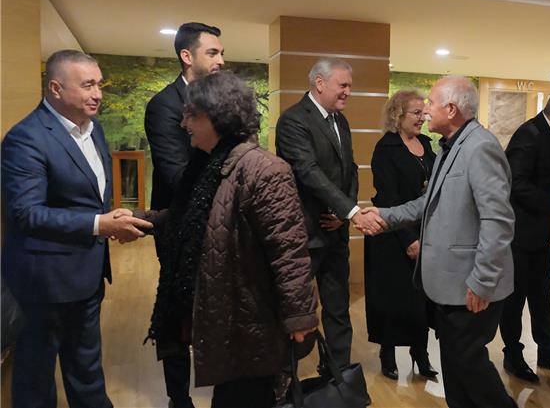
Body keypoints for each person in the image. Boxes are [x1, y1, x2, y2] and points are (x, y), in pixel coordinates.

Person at [137, 72, 318, 407]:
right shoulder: (208, 163)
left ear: (215, 116)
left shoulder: (264, 170)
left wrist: (300, 318)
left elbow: (289, 252)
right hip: (226, 319)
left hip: (251, 323)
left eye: (191, 116)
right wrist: (140, 220)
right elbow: (192, 218)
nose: (184, 124)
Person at [1, 50, 153, 408]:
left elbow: (88, 196)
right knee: (36, 380)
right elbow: (26, 214)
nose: (97, 94)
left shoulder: (93, 128)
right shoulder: (26, 138)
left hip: (86, 273)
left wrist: (107, 218)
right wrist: (99, 224)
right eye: (87, 85)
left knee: (87, 369)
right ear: (55, 88)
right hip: (43, 281)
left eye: (99, 84)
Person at [359, 76, 517, 408]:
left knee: (469, 363)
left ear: (452, 109)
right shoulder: (450, 146)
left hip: (471, 285)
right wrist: (385, 214)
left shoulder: (480, 147)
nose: (427, 110)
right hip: (449, 284)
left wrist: (483, 280)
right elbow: (426, 202)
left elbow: (498, 221)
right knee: (455, 367)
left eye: (431, 103)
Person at [275, 57, 382, 368]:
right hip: (305, 235)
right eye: (343, 85)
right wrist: (351, 212)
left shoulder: (340, 121)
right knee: (295, 313)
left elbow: (350, 170)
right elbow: (308, 172)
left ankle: (339, 376)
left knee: (338, 309)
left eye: (350, 86)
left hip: (335, 232)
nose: (348, 91)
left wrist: (343, 212)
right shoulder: (293, 120)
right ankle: (283, 379)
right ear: (320, 83)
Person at [144, 21, 224, 408]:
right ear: (187, 56)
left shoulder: (223, 102)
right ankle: (179, 398)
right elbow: (176, 174)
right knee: (178, 313)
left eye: (222, 52)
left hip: (222, 226)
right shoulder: (164, 105)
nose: (221, 60)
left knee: (218, 309)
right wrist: (228, 185)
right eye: (213, 52)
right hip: (180, 227)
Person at [498, 85, 550, 384]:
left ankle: (547, 350)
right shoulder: (529, 135)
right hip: (519, 233)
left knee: (542, 294)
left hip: (540, 231)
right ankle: (513, 353)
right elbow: (516, 183)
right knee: (515, 297)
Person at [364, 90, 438, 380]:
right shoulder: (386, 148)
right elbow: (387, 198)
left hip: (423, 232)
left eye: (424, 113)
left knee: (420, 300)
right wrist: (408, 238)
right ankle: (388, 354)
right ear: (398, 115)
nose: (423, 118)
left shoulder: (427, 145)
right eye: (416, 113)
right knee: (393, 298)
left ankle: (421, 354)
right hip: (392, 234)